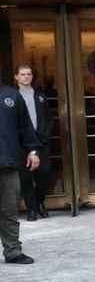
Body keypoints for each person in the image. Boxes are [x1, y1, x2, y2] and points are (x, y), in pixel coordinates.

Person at [0, 81, 40, 264]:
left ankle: (13, 251)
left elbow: (25, 126)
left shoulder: (11, 95)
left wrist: (33, 151)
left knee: (9, 211)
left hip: (8, 163)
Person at [14, 64, 53, 220]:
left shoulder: (40, 95)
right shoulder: (12, 95)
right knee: (24, 176)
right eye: (22, 74)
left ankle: (39, 203)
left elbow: (49, 118)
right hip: (21, 144)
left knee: (44, 173)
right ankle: (31, 208)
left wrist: (46, 135)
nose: (26, 77)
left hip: (41, 141)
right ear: (16, 77)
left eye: (28, 74)